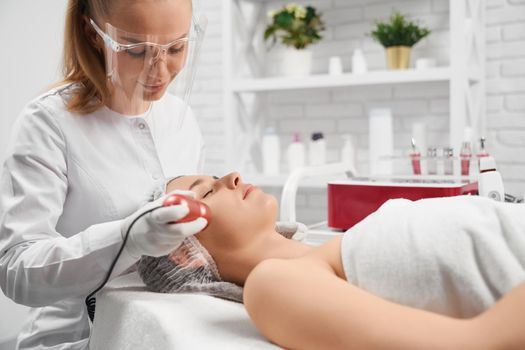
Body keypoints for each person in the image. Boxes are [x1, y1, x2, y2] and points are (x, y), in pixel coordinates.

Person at [0, 0, 208, 349]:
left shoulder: (182, 118)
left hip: (161, 334)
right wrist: (126, 238)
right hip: (74, 339)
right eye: (137, 51)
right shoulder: (49, 123)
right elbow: (16, 270)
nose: (159, 72)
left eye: (176, 48)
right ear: (92, 34)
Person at [138, 172, 525, 350]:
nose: (233, 177)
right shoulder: (273, 284)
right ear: (183, 252)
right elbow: (480, 342)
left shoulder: (339, 246)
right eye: (206, 190)